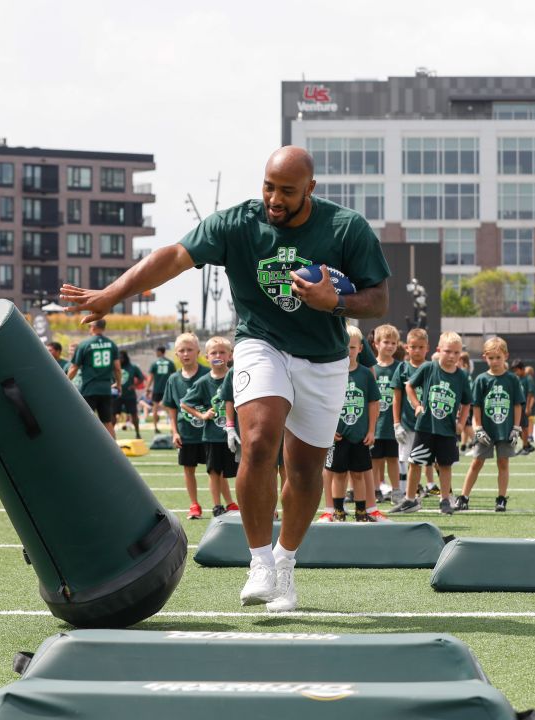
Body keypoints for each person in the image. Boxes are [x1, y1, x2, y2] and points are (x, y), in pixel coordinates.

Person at [60, 146, 390, 613]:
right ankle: (258, 560)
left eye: (287, 191)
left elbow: (378, 300)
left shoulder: (346, 227)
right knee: (257, 440)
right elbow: (174, 255)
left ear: (310, 190)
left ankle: (285, 563)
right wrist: (112, 294)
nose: (275, 199)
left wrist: (333, 301)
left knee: (304, 469)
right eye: (269, 186)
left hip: (324, 356)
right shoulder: (238, 223)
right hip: (261, 342)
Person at [403, 331, 473, 514]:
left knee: (445, 465)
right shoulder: (428, 368)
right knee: (415, 462)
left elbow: (467, 402)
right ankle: (410, 500)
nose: (452, 356)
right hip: (425, 426)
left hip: (448, 429)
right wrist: (417, 405)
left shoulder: (461, 376)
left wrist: (461, 422)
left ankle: (444, 500)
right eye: (448, 351)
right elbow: (409, 385)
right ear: (438, 350)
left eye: (457, 353)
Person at [318, 325, 381, 522]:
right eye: (345, 347)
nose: (348, 351)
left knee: (359, 474)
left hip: (360, 435)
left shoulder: (365, 374)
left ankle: (362, 511)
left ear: (361, 348)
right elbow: (324, 402)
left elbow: (373, 402)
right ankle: (337, 510)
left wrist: (371, 430)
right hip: (338, 435)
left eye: (352, 348)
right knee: (338, 474)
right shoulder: (332, 373)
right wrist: (329, 428)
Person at [457, 337, 525, 512]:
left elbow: (517, 405)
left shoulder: (512, 379)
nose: (495, 361)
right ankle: (463, 497)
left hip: (505, 429)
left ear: (506, 356)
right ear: (484, 357)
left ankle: (501, 498)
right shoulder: (481, 379)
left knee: (503, 463)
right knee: (476, 462)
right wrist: (478, 427)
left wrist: (517, 427)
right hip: (486, 429)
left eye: (498, 357)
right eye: (491, 357)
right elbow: (476, 407)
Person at [181, 337, 239, 516]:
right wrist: (202, 415)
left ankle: (242, 503)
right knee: (214, 471)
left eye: (222, 352)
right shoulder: (204, 382)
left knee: (241, 471)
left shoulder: (237, 375)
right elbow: (185, 403)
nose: (218, 355)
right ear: (206, 357)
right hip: (213, 435)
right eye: (214, 352)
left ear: (230, 355)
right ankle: (217, 506)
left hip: (237, 433)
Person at [162, 333, 210, 519]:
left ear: (198, 352)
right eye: (181, 350)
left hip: (209, 433)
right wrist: (174, 432)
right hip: (186, 432)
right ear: (176, 354)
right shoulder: (173, 379)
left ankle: (222, 504)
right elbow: (172, 408)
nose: (186, 353)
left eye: (190, 349)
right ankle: (194, 505)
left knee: (216, 470)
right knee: (188, 469)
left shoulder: (208, 374)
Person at [388, 328, 434, 512]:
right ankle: (408, 497)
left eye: (420, 347)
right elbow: (397, 398)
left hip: (428, 424)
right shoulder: (402, 368)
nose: (416, 350)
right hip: (407, 423)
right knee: (406, 459)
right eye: (413, 347)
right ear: (407, 347)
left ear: (427, 348)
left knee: (434, 461)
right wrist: (396, 423)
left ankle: (446, 495)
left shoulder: (432, 368)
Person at [68, 320, 121, 438]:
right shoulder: (111, 344)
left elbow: (74, 368)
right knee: (107, 421)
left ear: (93, 327)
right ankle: (115, 454)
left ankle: (84, 449)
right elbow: (117, 368)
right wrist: (118, 383)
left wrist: (65, 381)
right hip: (105, 389)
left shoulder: (85, 344)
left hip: (89, 389)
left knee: (84, 421)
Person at [369, 324, 404, 505]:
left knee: (393, 458)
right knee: (375, 459)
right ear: (376, 343)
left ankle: (396, 490)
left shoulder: (400, 367)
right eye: (386, 342)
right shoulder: (370, 367)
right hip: (375, 424)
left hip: (392, 423)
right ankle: (375, 489)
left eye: (393, 343)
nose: (390, 346)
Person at [510, 360, 535, 455]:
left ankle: (526, 447)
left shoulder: (528, 378)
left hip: (524, 406)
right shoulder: (518, 378)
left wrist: (528, 407)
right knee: (519, 428)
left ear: (522, 369)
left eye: (516, 370)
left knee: (524, 427)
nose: (515, 372)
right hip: (518, 407)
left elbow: (530, 393)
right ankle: (527, 445)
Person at [147, 345, 176, 432]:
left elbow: (151, 377)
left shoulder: (154, 363)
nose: (156, 353)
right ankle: (172, 427)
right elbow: (174, 377)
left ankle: (155, 427)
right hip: (167, 389)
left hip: (156, 389)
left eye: (157, 351)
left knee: (155, 408)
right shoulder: (170, 363)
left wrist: (147, 388)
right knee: (169, 409)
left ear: (160, 352)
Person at [117, 350, 145, 439]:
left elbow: (141, 377)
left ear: (125, 358)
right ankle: (110, 435)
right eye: (119, 358)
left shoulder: (132, 367)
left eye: (122, 357)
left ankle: (137, 433)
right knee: (112, 415)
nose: (120, 359)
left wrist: (134, 385)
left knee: (134, 414)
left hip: (130, 395)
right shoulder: (114, 367)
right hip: (117, 395)